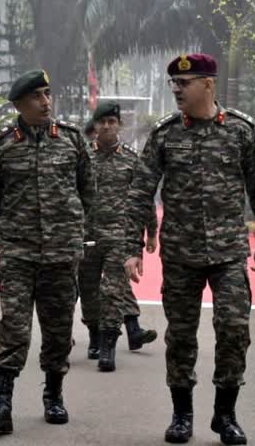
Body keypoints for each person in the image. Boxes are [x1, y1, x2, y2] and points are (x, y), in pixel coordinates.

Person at [123, 54, 255, 445]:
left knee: (233, 328)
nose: (176, 89)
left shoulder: (240, 131)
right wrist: (132, 247)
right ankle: (182, 415)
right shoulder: (165, 134)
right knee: (181, 337)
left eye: (184, 83)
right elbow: (140, 191)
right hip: (180, 254)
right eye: (173, 83)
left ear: (208, 84)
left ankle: (224, 414)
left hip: (228, 253)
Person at [0, 69, 96, 433]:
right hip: (19, 254)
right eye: (37, 97)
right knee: (13, 327)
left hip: (61, 254)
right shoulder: (1, 144)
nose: (46, 102)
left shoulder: (72, 140)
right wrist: (17, 229)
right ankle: (1, 404)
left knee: (58, 330)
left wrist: (66, 228)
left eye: (47, 94)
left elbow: (86, 192)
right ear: (18, 104)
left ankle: (54, 394)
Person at [77, 101, 157, 372]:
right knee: (87, 291)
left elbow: (142, 199)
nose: (107, 126)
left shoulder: (132, 159)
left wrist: (151, 233)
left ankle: (108, 347)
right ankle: (94, 335)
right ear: (95, 126)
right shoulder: (83, 157)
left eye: (112, 122)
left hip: (119, 237)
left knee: (111, 291)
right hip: (87, 236)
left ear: (119, 125)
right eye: (102, 122)